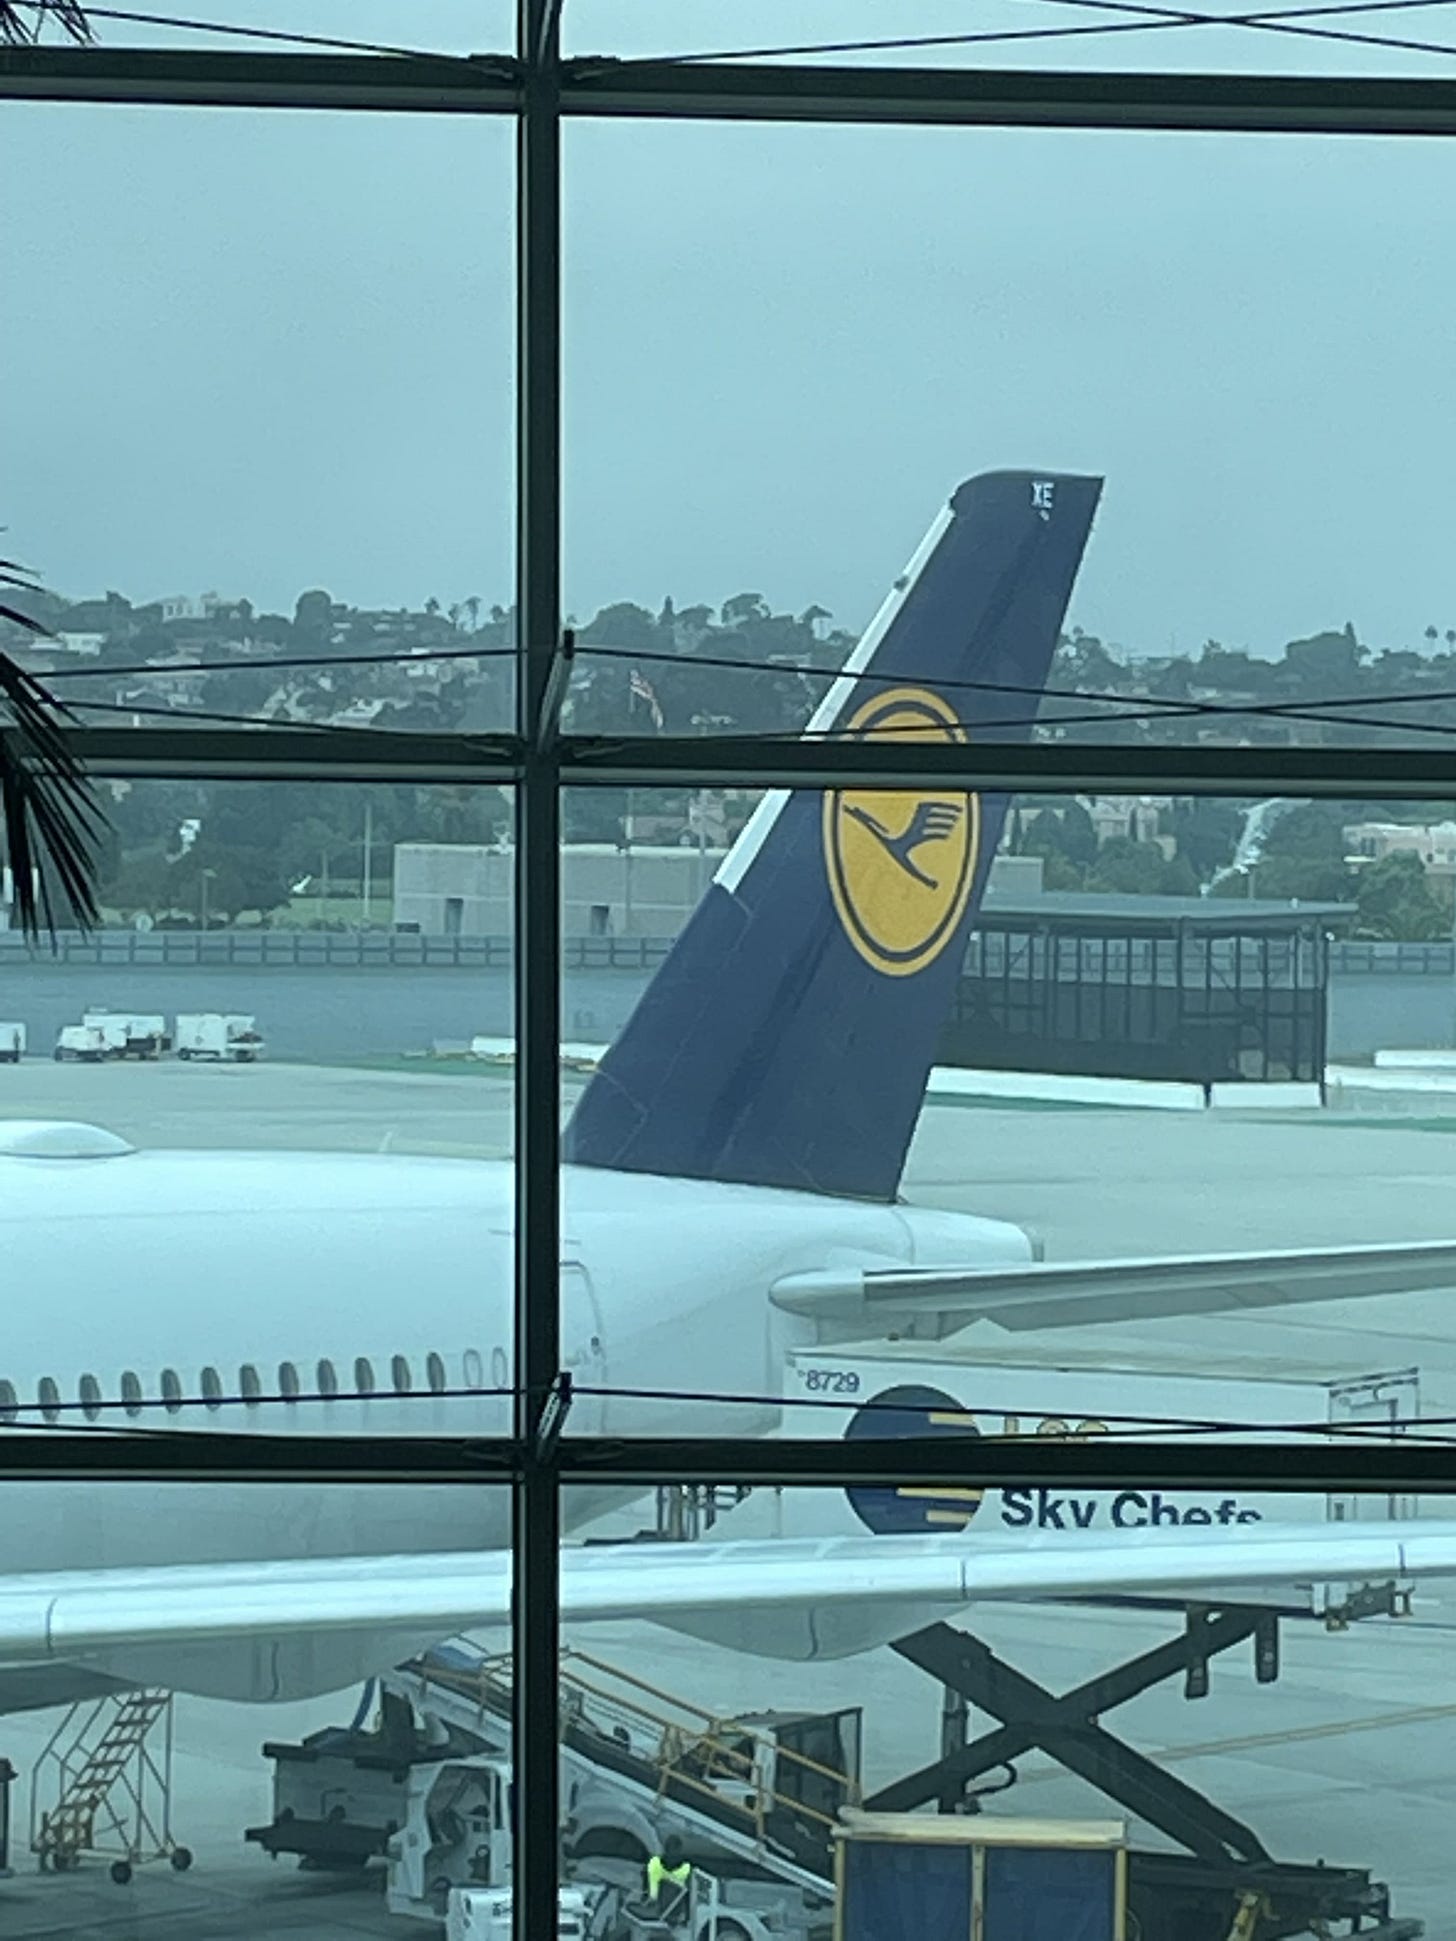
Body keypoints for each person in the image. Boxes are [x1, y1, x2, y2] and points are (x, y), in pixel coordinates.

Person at [644, 1833, 692, 1922]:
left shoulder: (685, 1869)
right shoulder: (656, 1863)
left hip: (671, 1910)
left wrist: (687, 1916)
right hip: (656, 1906)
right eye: (668, 1848)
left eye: (673, 1848)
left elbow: (687, 1894)